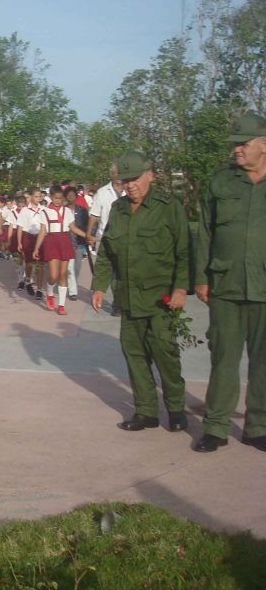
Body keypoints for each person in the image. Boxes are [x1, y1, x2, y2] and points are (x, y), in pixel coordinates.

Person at [91, 151, 190, 434]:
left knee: (165, 354)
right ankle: (146, 411)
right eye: (124, 180)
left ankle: (176, 409)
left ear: (151, 175)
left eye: (134, 178)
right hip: (129, 297)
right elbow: (107, 252)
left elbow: (184, 251)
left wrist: (181, 287)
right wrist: (99, 286)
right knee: (134, 354)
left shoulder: (168, 207)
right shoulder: (119, 209)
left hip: (160, 299)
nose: (129, 185)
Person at [192, 111, 266, 453]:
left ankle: (257, 426)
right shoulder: (221, 180)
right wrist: (201, 278)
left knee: (264, 360)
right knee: (224, 357)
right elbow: (205, 232)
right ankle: (216, 427)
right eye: (234, 144)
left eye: (242, 144)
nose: (236, 150)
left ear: (263, 145)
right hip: (225, 283)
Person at [32, 185, 85, 315]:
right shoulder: (45, 212)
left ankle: (61, 305)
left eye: (60, 198)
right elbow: (43, 231)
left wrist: (86, 235)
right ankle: (50, 293)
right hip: (51, 242)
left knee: (63, 274)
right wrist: (36, 248)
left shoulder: (66, 211)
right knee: (53, 276)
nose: (58, 201)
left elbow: (72, 227)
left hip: (64, 241)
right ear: (50, 197)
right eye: (55, 198)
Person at [87, 165, 126, 315]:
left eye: (120, 172)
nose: (118, 175)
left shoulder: (129, 190)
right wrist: (89, 233)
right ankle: (118, 303)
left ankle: (122, 300)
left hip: (126, 238)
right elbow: (94, 215)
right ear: (111, 174)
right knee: (112, 272)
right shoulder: (102, 193)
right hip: (107, 238)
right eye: (115, 172)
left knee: (123, 272)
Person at [64, 186, 89, 301]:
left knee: (77, 267)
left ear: (76, 197)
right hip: (66, 242)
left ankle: (72, 285)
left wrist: (88, 236)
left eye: (73, 195)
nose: (71, 198)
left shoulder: (82, 210)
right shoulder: (63, 210)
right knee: (69, 268)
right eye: (68, 196)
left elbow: (87, 225)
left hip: (79, 242)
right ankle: (72, 291)